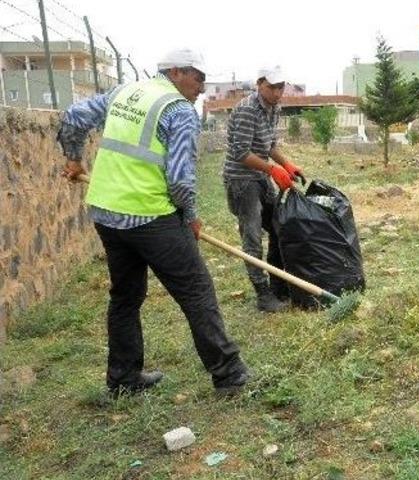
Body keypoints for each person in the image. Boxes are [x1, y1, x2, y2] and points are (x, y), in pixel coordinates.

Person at [58, 48, 250, 397]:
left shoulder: (124, 92)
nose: (202, 88)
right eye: (198, 77)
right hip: (150, 216)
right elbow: (179, 180)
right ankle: (230, 377)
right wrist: (189, 216)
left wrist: (73, 158)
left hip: (107, 213)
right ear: (176, 72)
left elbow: (73, 115)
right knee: (196, 292)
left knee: (125, 297)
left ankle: (123, 380)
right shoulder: (179, 111)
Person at [223, 66, 306, 313]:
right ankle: (263, 294)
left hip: (260, 176)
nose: (278, 93)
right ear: (259, 84)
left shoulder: (274, 108)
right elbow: (240, 153)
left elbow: (268, 145)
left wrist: (286, 164)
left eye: (281, 87)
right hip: (241, 180)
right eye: (272, 87)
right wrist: (273, 171)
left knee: (278, 226)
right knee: (252, 238)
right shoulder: (248, 110)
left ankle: (277, 283)